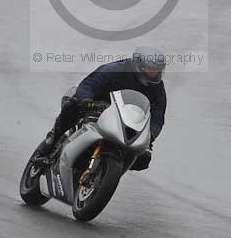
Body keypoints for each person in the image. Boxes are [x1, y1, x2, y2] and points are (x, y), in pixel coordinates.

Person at [35, 46, 167, 170]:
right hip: (97, 106)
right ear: (139, 66)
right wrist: (87, 100)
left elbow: (158, 115)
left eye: (156, 70)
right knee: (72, 106)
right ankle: (49, 143)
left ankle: (109, 170)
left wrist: (151, 135)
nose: (153, 73)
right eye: (150, 69)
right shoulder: (116, 69)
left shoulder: (158, 89)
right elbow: (89, 84)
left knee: (144, 158)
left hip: (127, 120)